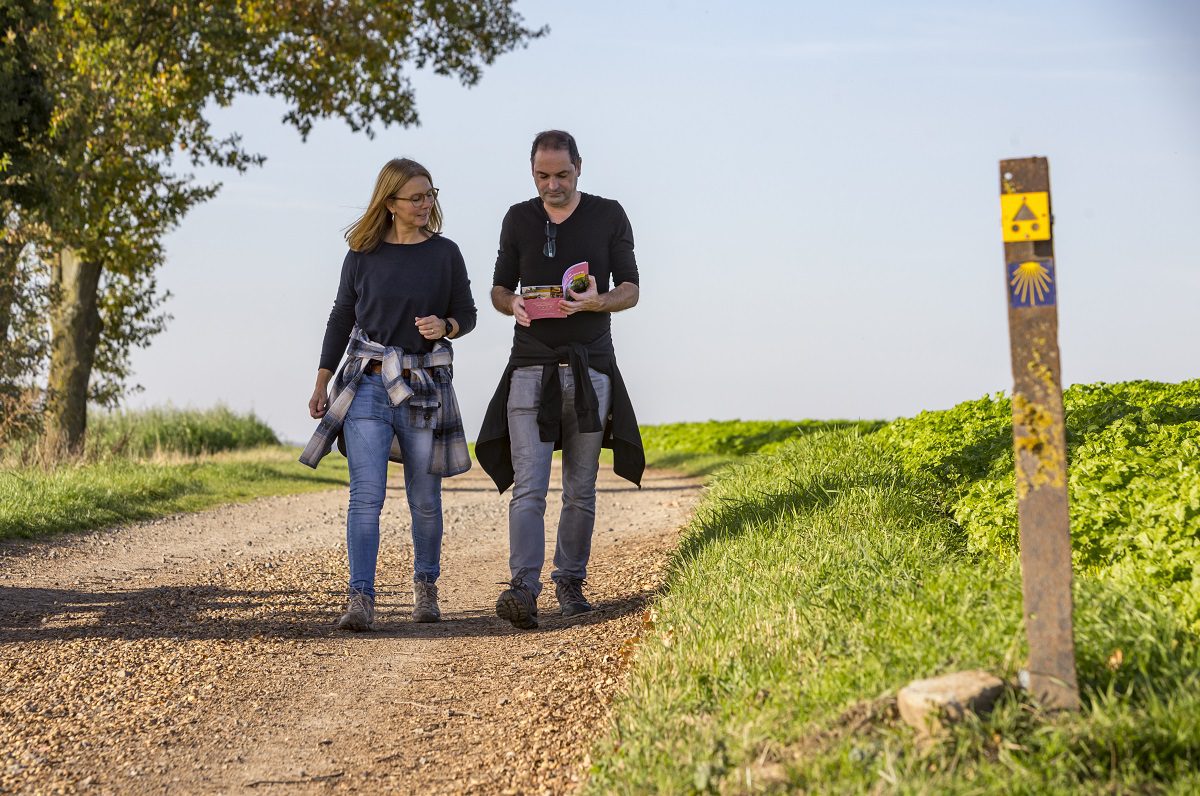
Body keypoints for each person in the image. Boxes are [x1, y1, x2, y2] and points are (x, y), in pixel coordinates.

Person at [476, 130, 644, 630]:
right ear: (532, 172)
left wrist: (598, 301)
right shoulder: (517, 218)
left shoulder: (609, 214)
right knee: (528, 487)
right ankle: (523, 588)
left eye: (562, 175)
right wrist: (513, 303)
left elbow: (632, 289)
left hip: (592, 370)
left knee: (580, 488)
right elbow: (498, 289)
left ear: (579, 168)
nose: (552, 185)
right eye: (542, 176)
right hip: (530, 367)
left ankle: (570, 583)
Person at [300, 158, 477, 631]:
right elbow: (341, 318)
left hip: (422, 387)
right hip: (367, 386)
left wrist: (447, 325)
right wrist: (321, 380)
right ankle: (360, 598)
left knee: (425, 498)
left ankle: (426, 586)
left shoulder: (445, 254)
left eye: (430, 194)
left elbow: (467, 314)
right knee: (366, 496)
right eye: (416, 197)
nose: (426, 204)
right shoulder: (361, 255)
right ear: (390, 203)